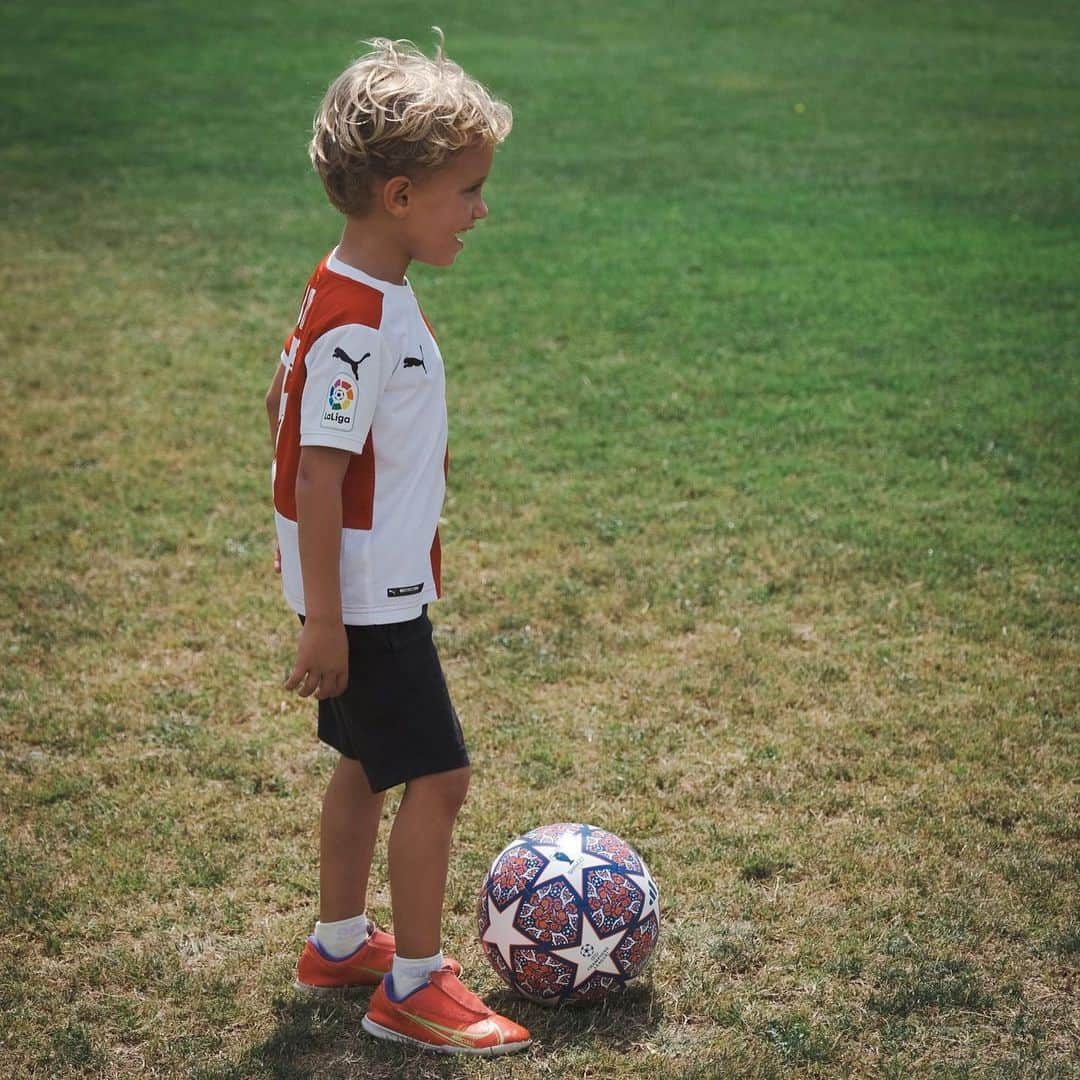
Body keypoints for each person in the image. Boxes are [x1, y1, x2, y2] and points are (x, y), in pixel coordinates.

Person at [264, 32, 530, 1057]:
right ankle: (413, 985)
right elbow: (316, 471)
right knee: (440, 776)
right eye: (468, 190)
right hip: (366, 600)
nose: (481, 210)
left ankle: (339, 944)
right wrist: (324, 617)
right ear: (402, 194)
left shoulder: (350, 288)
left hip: (367, 584)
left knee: (371, 762)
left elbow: (284, 414)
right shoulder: (357, 322)